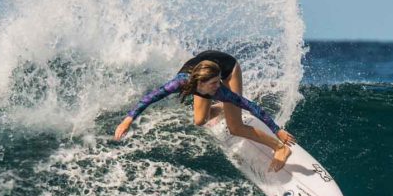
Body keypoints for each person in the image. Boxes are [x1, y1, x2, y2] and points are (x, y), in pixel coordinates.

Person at [114, 50, 297, 171]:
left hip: (229, 69)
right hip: (206, 72)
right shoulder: (181, 83)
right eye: (214, 84)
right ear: (199, 83)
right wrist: (128, 119)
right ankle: (225, 109)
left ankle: (279, 148)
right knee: (200, 120)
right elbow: (150, 98)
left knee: (236, 127)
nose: (218, 88)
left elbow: (251, 106)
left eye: (218, 83)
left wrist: (277, 130)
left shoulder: (217, 87)